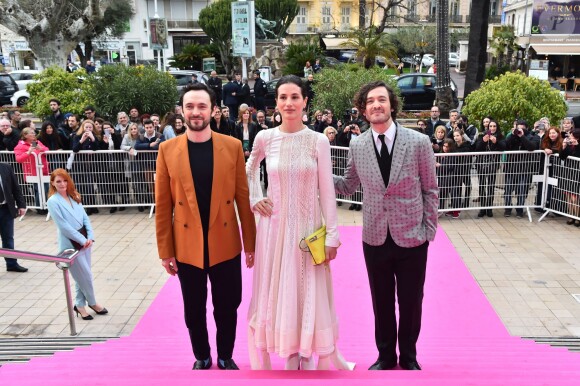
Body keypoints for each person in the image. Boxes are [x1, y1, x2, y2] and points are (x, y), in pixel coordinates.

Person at [245, 75, 354, 371]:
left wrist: (332, 235)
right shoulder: (265, 137)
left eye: (295, 97)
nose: (289, 103)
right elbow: (250, 168)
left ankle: (306, 352)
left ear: (306, 101)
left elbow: (327, 191)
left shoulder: (318, 140)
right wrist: (256, 198)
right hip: (274, 229)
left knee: (307, 289)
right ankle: (287, 350)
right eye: (283, 97)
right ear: (276, 103)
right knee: (277, 289)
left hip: (308, 230)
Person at [333, 80, 438, 371]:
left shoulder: (418, 142)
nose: (376, 105)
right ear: (363, 110)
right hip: (375, 236)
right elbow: (349, 184)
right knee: (380, 301)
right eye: (370, 102)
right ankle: (385, 356)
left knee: (411, 301)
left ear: (392, 104)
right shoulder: (357, 144)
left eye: (381, 100)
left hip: (412, 236)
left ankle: (409, 356)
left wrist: (428, 230)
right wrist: (316, 173)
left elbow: (430, 189)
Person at [155, 83, 256, 371]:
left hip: (225, 242)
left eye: (201, 106)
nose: (196, 112)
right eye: (190, 106)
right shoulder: (167, 150)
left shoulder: (232, 146)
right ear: (181, 111)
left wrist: (250, 243)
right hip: (187, 245)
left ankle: (225, 354)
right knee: (194, 309)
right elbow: (163, 207)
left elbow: (242, 198)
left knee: (228, 306)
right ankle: (201, 354)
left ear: (213, 110)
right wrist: (166, 251)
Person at [46, 169, 107, 320]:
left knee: (82, 276)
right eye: (58, 181)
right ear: (52, 183)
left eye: (64, 180)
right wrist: (82, 240)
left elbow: (85, 217)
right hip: (70, 245)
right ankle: (92, 302)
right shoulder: (53, 201)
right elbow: (63, 226)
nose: (62, 184)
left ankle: (80, 305)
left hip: (85, 242)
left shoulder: (75, 195)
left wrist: (90, 237)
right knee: (85, 275)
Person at [14, 128, 50, 213]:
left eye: (34, 133)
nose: (34, 134)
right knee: (39, 190)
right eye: (31, 133)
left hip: (43, 170)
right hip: (33, 172)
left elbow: (47, 151)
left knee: (46, 188)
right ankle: (40, 208)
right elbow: (18, 159)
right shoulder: (20, 146)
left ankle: (45, 207)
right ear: (25, 135)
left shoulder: (37, 142)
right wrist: (29, 152)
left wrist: (40, 149)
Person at [474, 119, 506, 217]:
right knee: (482, 186)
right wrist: (483, 141)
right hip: (481, 164)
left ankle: (489, 208)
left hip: (493, 164)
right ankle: (482, 208)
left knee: (491, 186)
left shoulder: (500, 136)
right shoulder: (481, 135)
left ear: (497, 127)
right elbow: (477, 148)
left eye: (494, 126)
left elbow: (504, 147)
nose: (492, 128)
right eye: (490, 126)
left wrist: (496, 142)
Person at [0, 163, 28, 272]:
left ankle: (11, 264)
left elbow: (15, 187)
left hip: (6, 208)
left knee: (8, 238)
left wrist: (21, 205)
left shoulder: (5, 167)